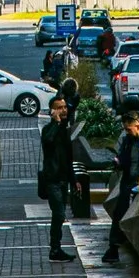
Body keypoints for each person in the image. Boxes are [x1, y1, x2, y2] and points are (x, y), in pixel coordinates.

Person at [102, 110, 139, 265]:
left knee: (135, 215)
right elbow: (123, 156)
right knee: (119, 213)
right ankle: (113, 248)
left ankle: (121, 248)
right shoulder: (128, 139)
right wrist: (118, 161)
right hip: (128, 181)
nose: (127, 132)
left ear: (138, 125)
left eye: (129, 129)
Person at [38, 94, 82, 262]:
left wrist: (74, 180)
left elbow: (68, 158)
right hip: (52, 180)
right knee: (59, 213)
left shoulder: (64, 130)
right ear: (52, 111)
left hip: (63, 179)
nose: (63, 110)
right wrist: (56, 123)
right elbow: (48, 141)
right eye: (59, 108)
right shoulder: (49, 129)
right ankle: (54, 249)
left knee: (59, 215)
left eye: (64, 107)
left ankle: (56, 248)